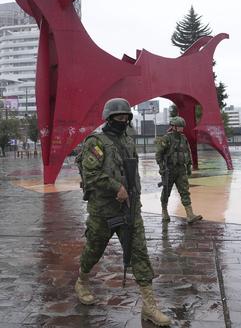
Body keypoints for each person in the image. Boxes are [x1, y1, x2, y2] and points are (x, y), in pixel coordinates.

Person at [75, 98, 171, 326]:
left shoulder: (128, 141)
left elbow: (132, 175)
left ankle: (149, 306)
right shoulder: (95, 143)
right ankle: (82, 280)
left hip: (130, 209)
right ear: (108, 118)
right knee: (94, 250)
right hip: (103, 211)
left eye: (126, 117)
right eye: (118, 117)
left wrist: (133, 197)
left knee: (139, 254)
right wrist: (115, 187)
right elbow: (90, 175)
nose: (122, 120)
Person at [156, 116, 202, 224]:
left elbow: (187, 152)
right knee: (166, 191)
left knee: (185, 191)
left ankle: (190, 214)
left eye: (182, 127)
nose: (182, 129)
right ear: (174, 127)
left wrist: (189, 165)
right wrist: (162, 168)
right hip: (169, 169)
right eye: (180, 127)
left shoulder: (183, 138)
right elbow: (159, 154)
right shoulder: (167, 138)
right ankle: (164, 211)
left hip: (181, 169)